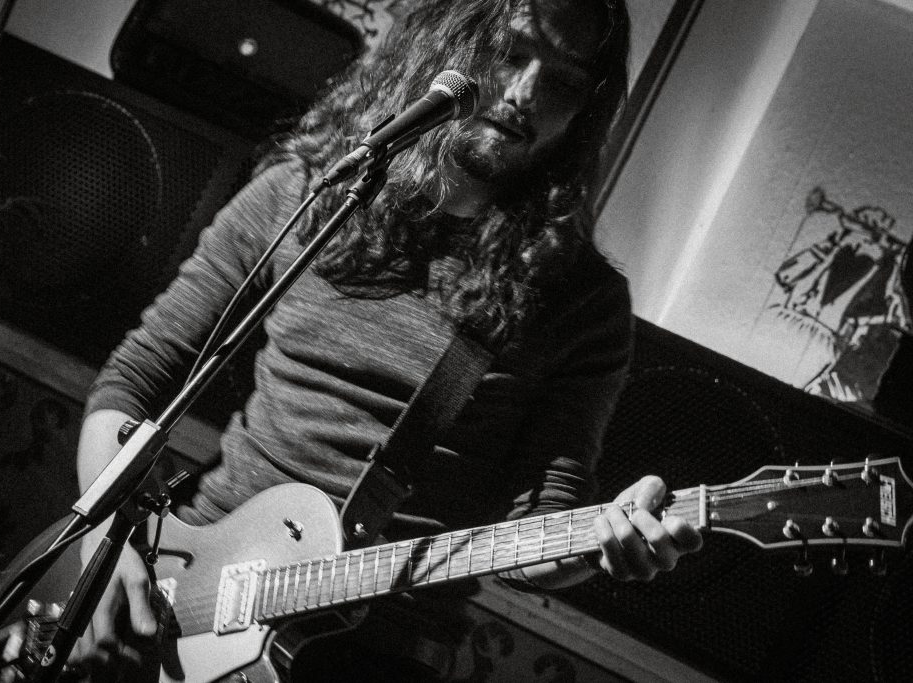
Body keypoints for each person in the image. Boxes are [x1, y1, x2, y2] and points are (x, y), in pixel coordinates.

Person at [72, 0, 703, 679]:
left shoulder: (580, 302)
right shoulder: (304, 193)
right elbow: (134, 382)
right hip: (182, 588)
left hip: (376, 651)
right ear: (445, 45)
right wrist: (102, 545)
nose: (526, 93)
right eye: (510, 53)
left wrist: (603, 542)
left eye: (565, 81)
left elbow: (543, 523)